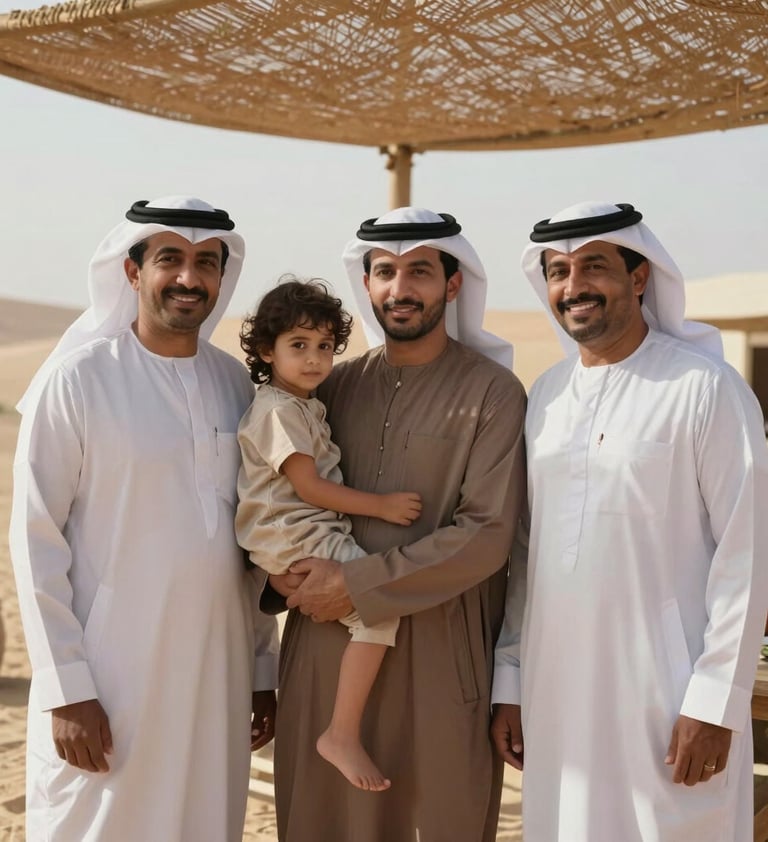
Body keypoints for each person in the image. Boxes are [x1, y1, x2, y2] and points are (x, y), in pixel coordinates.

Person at [491, 201, 768, 841]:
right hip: (557, 689)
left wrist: (715, 702)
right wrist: (513, 678)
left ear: (640, 277)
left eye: (594, 266)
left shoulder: (706, 388)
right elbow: (529, 553)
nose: (573, 286)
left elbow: (747, 553)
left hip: (668, 694)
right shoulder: (547, 396)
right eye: (558, 271)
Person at [9, 196, 279, 842]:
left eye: (206, 263)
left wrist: (262, 668)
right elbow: (34, 539)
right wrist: (65, 687)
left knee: (203, 820)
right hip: (110, 675)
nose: (189, 278)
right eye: (170, 260)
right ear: (133, 272)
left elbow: (256, 541)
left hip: (218, 673)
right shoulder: (75, 381)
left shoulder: (236, 386)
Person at [261, 207, 527, 842]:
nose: (400, 289)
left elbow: (487, 535)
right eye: (384, 272)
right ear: (368, 283)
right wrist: (285, 580)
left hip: (442, 652)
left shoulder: (494, 393)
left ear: (452, 285)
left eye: (419, 273)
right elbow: (270, 494)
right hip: (323, 647)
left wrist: (358, 585)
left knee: (435, 817)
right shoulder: (330, 385)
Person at [236, 276, 423, 791]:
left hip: (300, 531)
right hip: (294, 532)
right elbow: (310, 487)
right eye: (298, 346)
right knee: (381, 608)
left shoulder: (302, 405)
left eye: (324, 346)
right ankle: (340, 733)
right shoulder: (278, 411)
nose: (315, 358)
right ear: (266, 352)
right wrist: (380, 506)